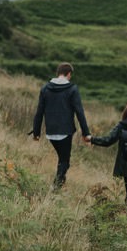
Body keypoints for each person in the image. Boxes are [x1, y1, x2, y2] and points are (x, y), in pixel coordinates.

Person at [32, 62, 91, 191]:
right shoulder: (72, 89)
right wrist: (86, 133)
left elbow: (39, 112)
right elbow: (79, 112)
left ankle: (60, 182)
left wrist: (36, 132)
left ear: (58, 73)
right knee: (65, 160)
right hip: (65, 131)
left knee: (62, 159)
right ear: (69, 74)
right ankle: (55, 186)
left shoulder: (45, 89)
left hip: (51, 132)